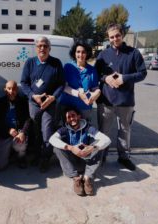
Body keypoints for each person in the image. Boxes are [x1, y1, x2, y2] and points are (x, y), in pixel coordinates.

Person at [95, 23, 147, 171]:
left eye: (117, 35)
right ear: (108, 38)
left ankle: (124, 158)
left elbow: (142, 73)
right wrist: (105, 79)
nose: (114, 39)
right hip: (106, 101)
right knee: (104, 131)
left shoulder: (134, 53)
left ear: (122, 35)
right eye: (111, 37)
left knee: (125, 131)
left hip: (126, 101)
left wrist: (125, 78)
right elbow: (96, 74)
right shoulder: (103, 55)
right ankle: (101, 156)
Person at [20, 36, 65, 172]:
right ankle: (37, 155)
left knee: (47, 132)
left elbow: (61, 84)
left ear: (49, 48)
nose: (42, 48)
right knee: (35, 131)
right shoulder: (30, 62)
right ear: (36, 48)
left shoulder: (56, 63)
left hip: (50, 104)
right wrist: (33, 96)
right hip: (34, 103)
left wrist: (53, 98)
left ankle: (46, 158)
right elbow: (23, 83)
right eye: (40, 46)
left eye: (45, 46)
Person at [49, 108, 111, 196]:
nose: (71, 119)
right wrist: (70, 148)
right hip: (72, 163)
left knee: (99, 145)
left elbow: (107, 139)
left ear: (79, 116)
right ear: (66, 120)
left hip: (86, 161)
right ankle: (76, 179)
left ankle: (87, 178)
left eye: (73, 115)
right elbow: (51, 139)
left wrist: (92, 148)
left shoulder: (88, 128)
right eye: (68, 117)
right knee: (57, 147)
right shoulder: (64, 129)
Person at [0, 80, 31, 170]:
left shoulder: (23, 102)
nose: (11, 91)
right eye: (9, 88)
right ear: (5, 89)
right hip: (4, 134)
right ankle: (9, 153)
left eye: (14, 89)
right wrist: (8, 130)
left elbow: (28, 119)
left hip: (18, 133)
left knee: (21, 144)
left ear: (17, 89)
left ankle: (21, 157)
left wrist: (23, 132)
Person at [58, 41, 101, 122]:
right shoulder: (68, 67)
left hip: (84, 107)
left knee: (84, 131)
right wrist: (78, 94)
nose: (80, 55)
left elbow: (95, 87)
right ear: (74, 53)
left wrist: (97, 92)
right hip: (67, 106)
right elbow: (63, 86)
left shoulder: (92, 70)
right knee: (67, 132)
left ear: (87, 54)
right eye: (78, 52)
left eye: (83, 52)